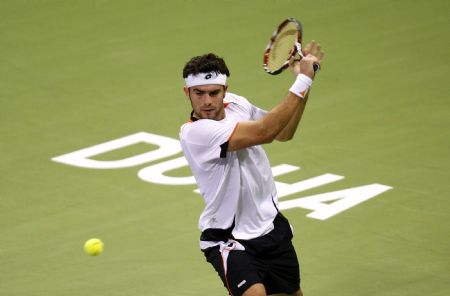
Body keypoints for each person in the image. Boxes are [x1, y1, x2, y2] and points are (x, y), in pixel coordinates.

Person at [179, 41, 324, 296]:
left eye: (214, 92)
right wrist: (303, 81)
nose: (207, 101)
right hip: (228, 236)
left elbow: (283, 132)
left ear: (225, 90)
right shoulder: (195, 133)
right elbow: (265, 132)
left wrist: (305, 81)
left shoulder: (237, 104)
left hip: (270, 226)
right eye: (199, 93)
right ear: (186, 93)